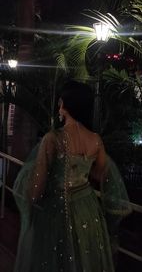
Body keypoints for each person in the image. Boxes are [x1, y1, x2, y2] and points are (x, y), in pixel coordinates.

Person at [13, 80, 131, 272]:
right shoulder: (95, 140)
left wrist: (26, 195)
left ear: (64, 105)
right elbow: (101, 173)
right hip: (88, 210)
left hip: (56, 210)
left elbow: (36, 189)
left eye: (60, 102)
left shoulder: (53, 138)